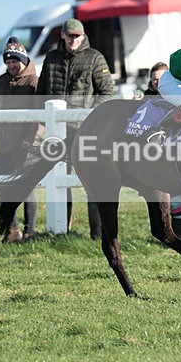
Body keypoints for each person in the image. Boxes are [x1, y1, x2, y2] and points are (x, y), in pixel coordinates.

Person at [36, 18, 114, 240]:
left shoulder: (95, 58)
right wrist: (41, 123)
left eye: (77, 36)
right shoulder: (51, 59)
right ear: (62, 35)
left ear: (82, 36)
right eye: (70, 36)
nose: (73, 40)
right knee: (58, 179)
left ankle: (98, 235)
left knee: (94, 182)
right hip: (56, 131)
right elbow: (41, 93)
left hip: (86, 131)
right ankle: (62, 230)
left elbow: (106, 93)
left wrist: (93, 122)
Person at [0, 37, 42, 243]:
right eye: (8, 62)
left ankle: (30, 231)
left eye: (14, 61)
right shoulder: (1, 82)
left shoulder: (33, 82)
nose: (11, 66)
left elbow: (40, 115)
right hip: (3, 144)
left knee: (25, 188)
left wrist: (32, 140)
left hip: (25, 144)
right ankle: (11, 230)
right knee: (3, 187)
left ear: (23, 60)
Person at [139, 61, 181, 239]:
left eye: (160, 78)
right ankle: (165, 236)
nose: (156, 82)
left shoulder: (180, 97)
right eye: (154, 79)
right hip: (149, 156)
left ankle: (180, 238)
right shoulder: (146, 98)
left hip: (171, 153)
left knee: (175, 198)